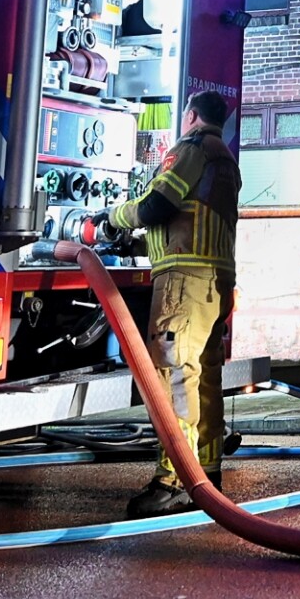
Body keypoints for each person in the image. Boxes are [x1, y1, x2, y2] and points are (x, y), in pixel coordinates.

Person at [99, 90, 241, 517]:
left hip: (183, 281)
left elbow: (158, 204)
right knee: (205, 378)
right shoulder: (224, 157)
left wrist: (112, 217)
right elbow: (191, 216)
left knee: (174, 376)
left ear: (192, 117)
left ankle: (175, 478)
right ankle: (207, 470)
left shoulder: (191, 148)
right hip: (215, 281)